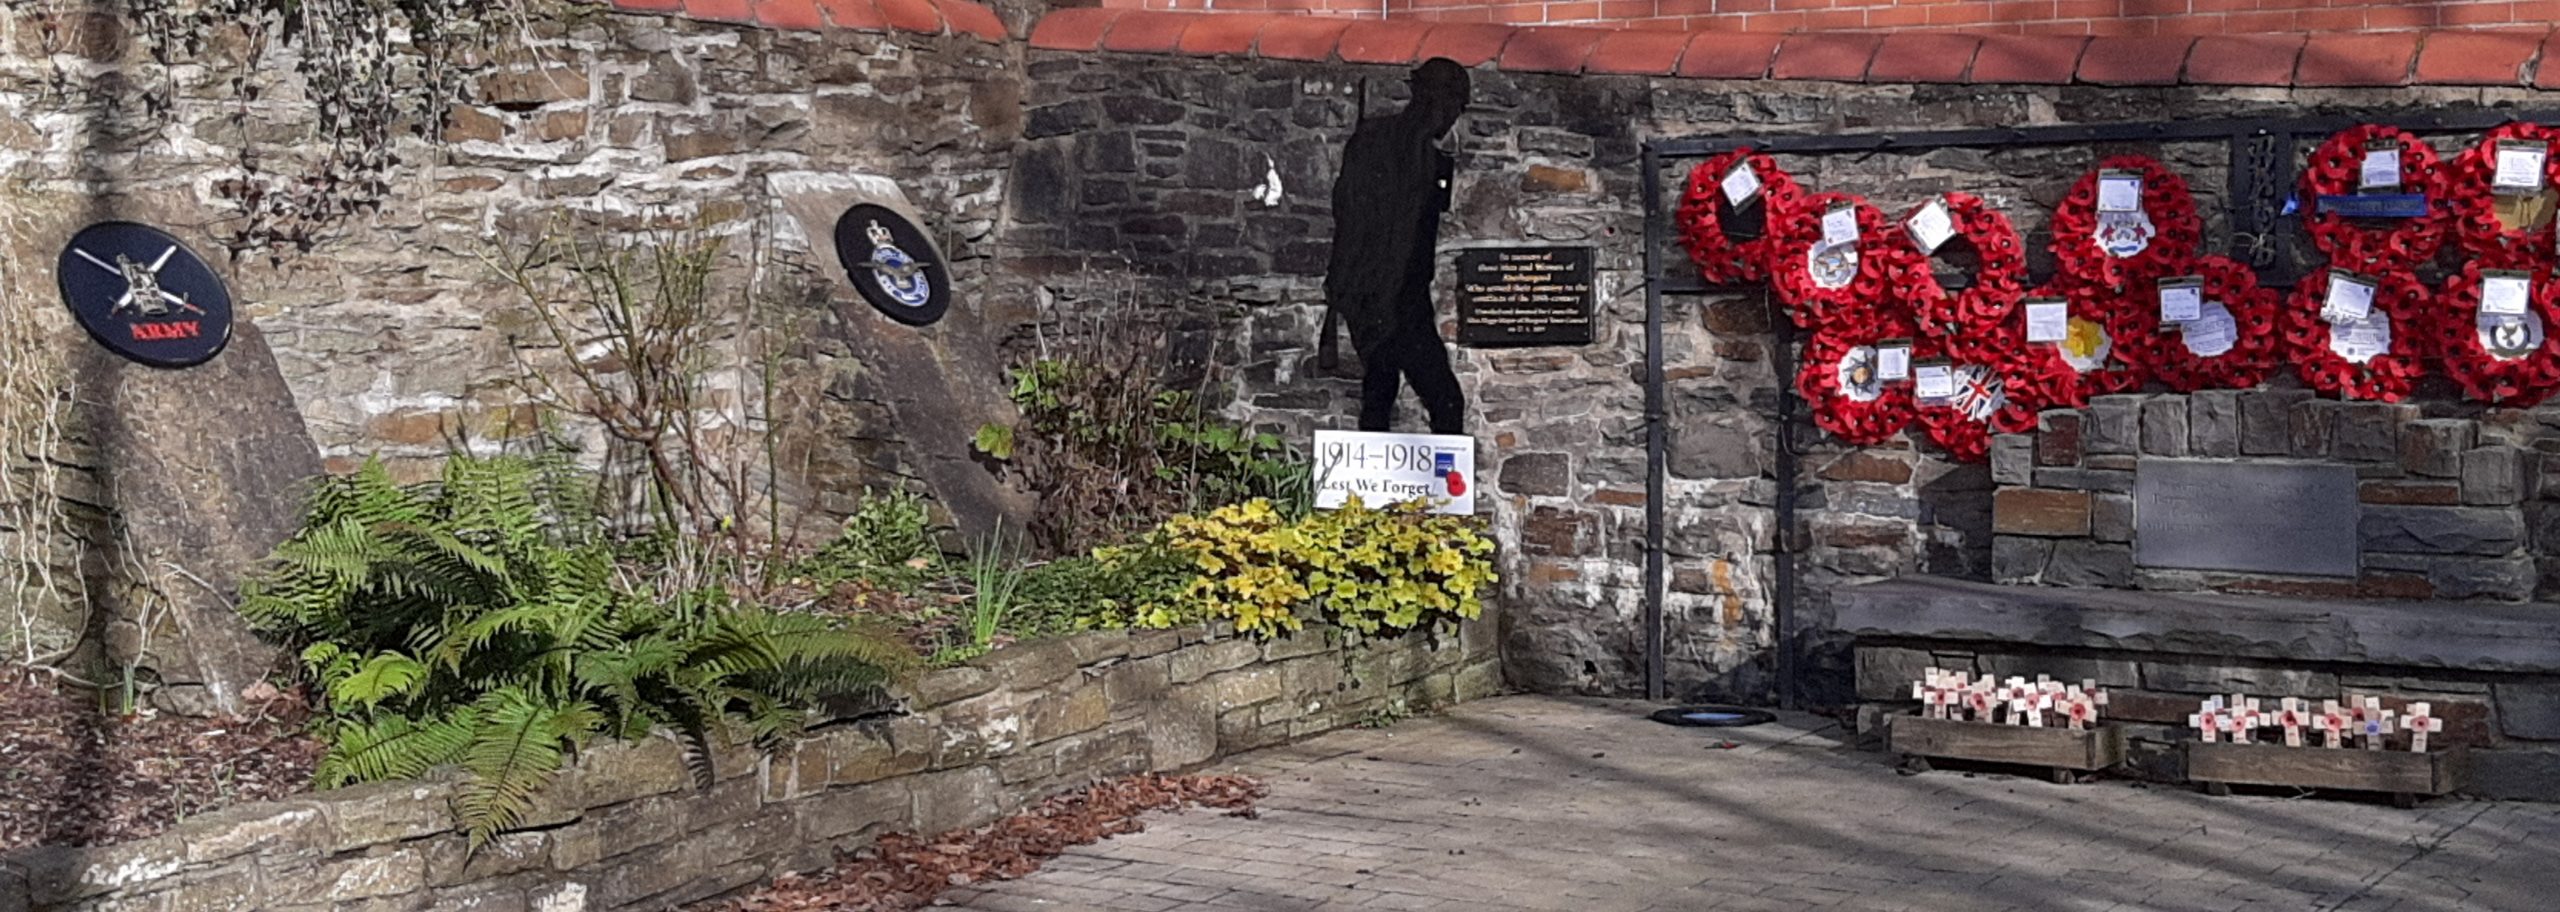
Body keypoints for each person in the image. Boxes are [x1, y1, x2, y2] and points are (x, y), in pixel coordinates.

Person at [1321, 57, 1468, 436]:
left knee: (1382, 387)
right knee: (1442, 396)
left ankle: (1388, 490)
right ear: (1436, 101)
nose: (1453, 118)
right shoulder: (1382, 145)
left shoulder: (1421, 155)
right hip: (1386, 291)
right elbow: (1354, 213)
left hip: (1399, 290)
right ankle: (1430, 490)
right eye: (1453, 106)